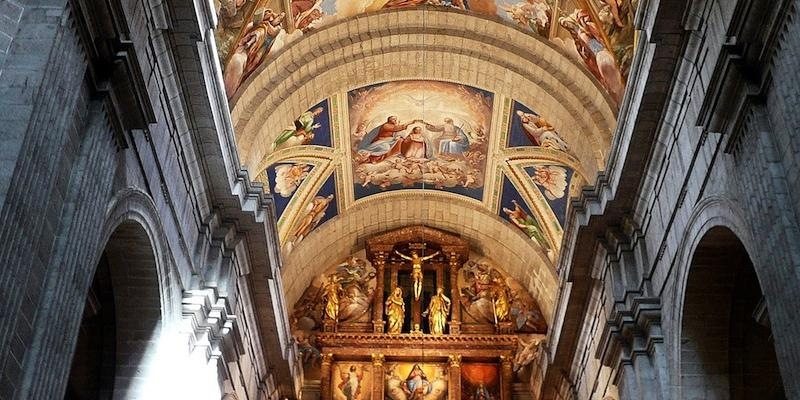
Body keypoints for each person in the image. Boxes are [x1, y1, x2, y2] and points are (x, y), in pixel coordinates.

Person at [358, 116, 422, 163]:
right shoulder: (386, 126)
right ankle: (374, 157)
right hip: (382, 140)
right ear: (389, 120)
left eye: (395, 119)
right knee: (385, 147)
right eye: (393, 119)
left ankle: (397, 154)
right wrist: (410, 122)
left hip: (390, 140)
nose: (395, 121)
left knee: (400, 141)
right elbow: (397, 128)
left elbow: (397, 131)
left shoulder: (392, 125)